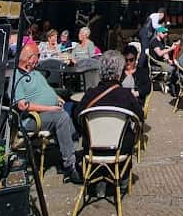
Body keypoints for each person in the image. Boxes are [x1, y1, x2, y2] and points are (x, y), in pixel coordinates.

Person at [73, 50, 144, 197]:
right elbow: (140, 117)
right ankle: (122, 178)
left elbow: (77, 116)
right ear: (119, 71)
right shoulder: (126, 95)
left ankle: (99, 180)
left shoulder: (90, 94)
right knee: (129, 134)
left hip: (93, 148)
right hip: (120, 149)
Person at [13, 43, 82, 183]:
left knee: (79, 110)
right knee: (62, 117)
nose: (38, 60)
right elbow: (22, 105)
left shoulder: (35, 73)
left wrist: (57, 98)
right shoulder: (17, 77)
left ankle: (74, 153)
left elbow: (46, 89)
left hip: (52, 111)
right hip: (33, 119)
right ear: (29, 58)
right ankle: (70, 166)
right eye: (37, 56)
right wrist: (50, 109)